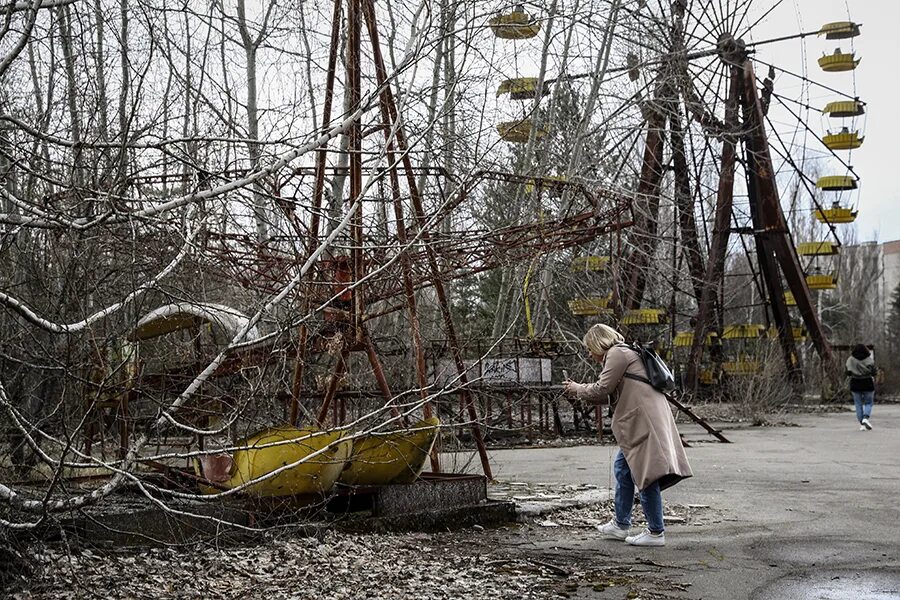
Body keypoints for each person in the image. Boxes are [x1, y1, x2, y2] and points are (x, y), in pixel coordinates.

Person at [564, 324, 692, 547]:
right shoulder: (624, 353)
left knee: (646, 474)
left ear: (598, 342)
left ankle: (655, 532)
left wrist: (577, 388)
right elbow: (611, 394)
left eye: (589, 348)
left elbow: (602, 389)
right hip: (641, 421)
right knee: (623, 470)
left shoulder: (616, 353)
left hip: (644, 422)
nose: (589, 354)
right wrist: (581, 392)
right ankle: (621, 524)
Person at [846, 344, 876, 430]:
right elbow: (874, 372)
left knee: (858, 404)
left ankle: (862, 424)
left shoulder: (850, 360)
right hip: (867, 382)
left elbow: (847, 372)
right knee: (868, 402)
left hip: (855, 382)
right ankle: (865, 418)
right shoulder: (869, 360)